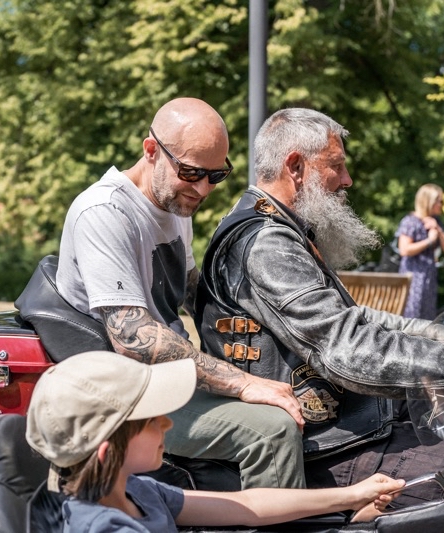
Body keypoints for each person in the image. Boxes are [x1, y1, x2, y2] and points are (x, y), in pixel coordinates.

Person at [195, 107, 444, 506]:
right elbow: (350, 351)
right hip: (323, 445)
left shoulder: (279, 229)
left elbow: (358, 320)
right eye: (336, 166)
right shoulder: (267, 244)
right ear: (295, 166)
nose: (347, 180)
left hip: (347, 423)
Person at [55, 97, 305, 490]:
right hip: (126, 395)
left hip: (166, 379)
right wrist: (242, 382)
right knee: (273, 431)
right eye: (191, 171)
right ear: (151, 150)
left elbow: (197, 294)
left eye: (216, 175)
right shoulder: (103, 212)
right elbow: (132, 338)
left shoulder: (173, 206)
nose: (203, 189)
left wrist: (278, 326)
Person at [25, 351, 406, 532]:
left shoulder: (135, 491)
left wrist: (352, 496)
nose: (168, 422)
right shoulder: (107, 528)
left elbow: (246, 504)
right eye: (153, 418)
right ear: (109, 451)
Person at [396, 184, 444, 319]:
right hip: (413, 280)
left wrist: (438, 230)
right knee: (411, 319)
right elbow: (404, 250)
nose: (442, 205)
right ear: (429, 201)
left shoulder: (436, 221)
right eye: (440, 201)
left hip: (429, 279)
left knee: (427, 321)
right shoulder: (411, 221)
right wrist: (429, 241)